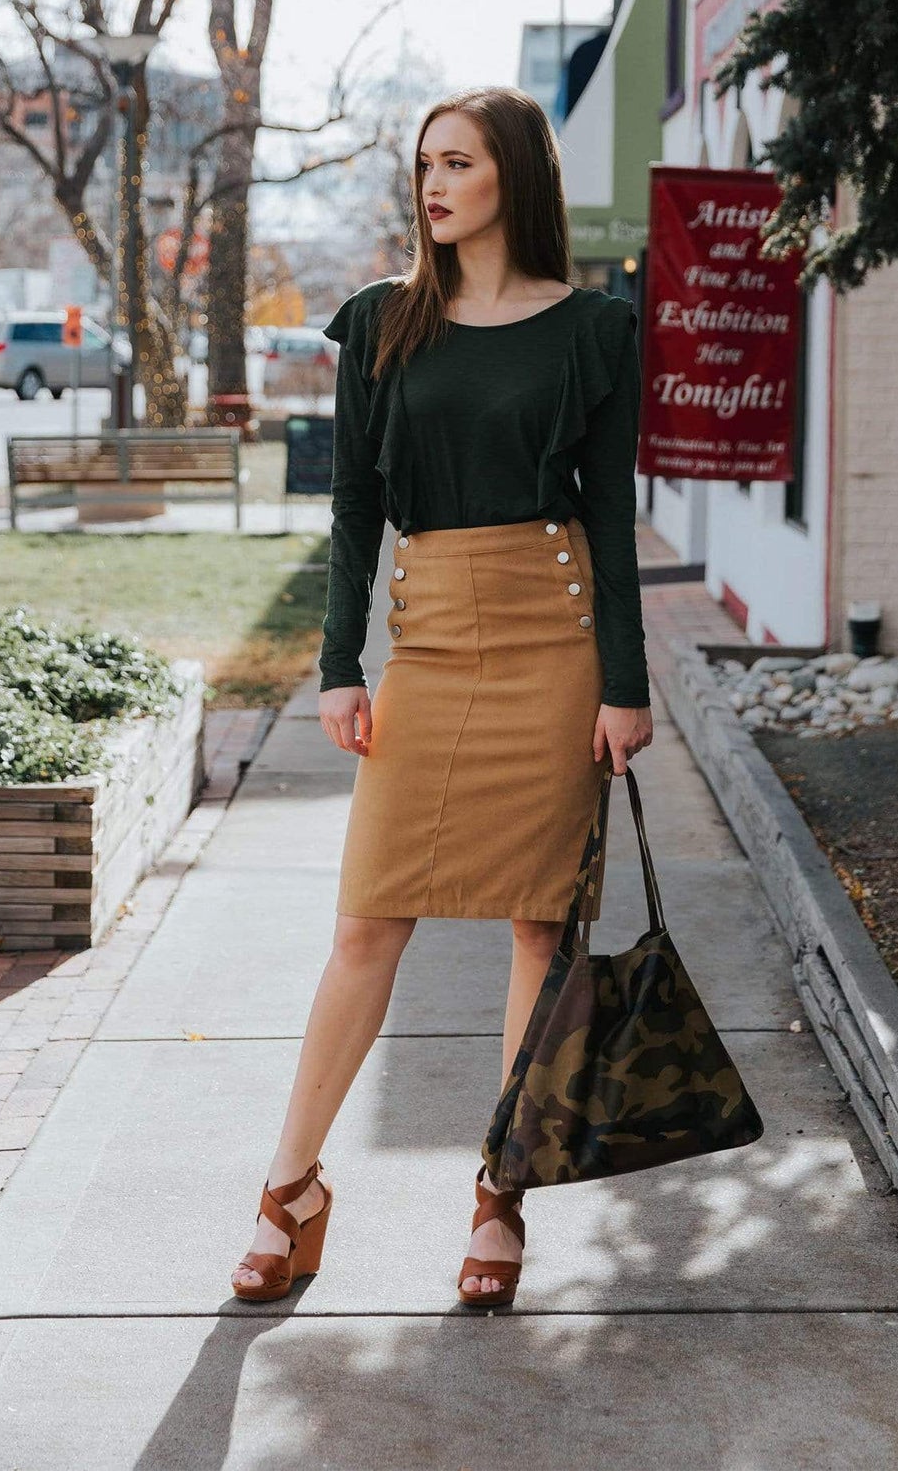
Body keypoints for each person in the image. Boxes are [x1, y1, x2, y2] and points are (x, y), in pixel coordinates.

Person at [231, 85, 653, 1308]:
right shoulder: (379, 324)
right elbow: (354, 508)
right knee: (369, 920)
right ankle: (290, 1184)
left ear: (511, 175)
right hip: (427, 644)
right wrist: (339, 664)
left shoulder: (593, 330)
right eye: (424, 163)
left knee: (536, 926)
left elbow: (612, 520)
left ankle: (500, 1191)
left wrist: (623, 685)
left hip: (553, 641)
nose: (433, 182)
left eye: (457, 161)